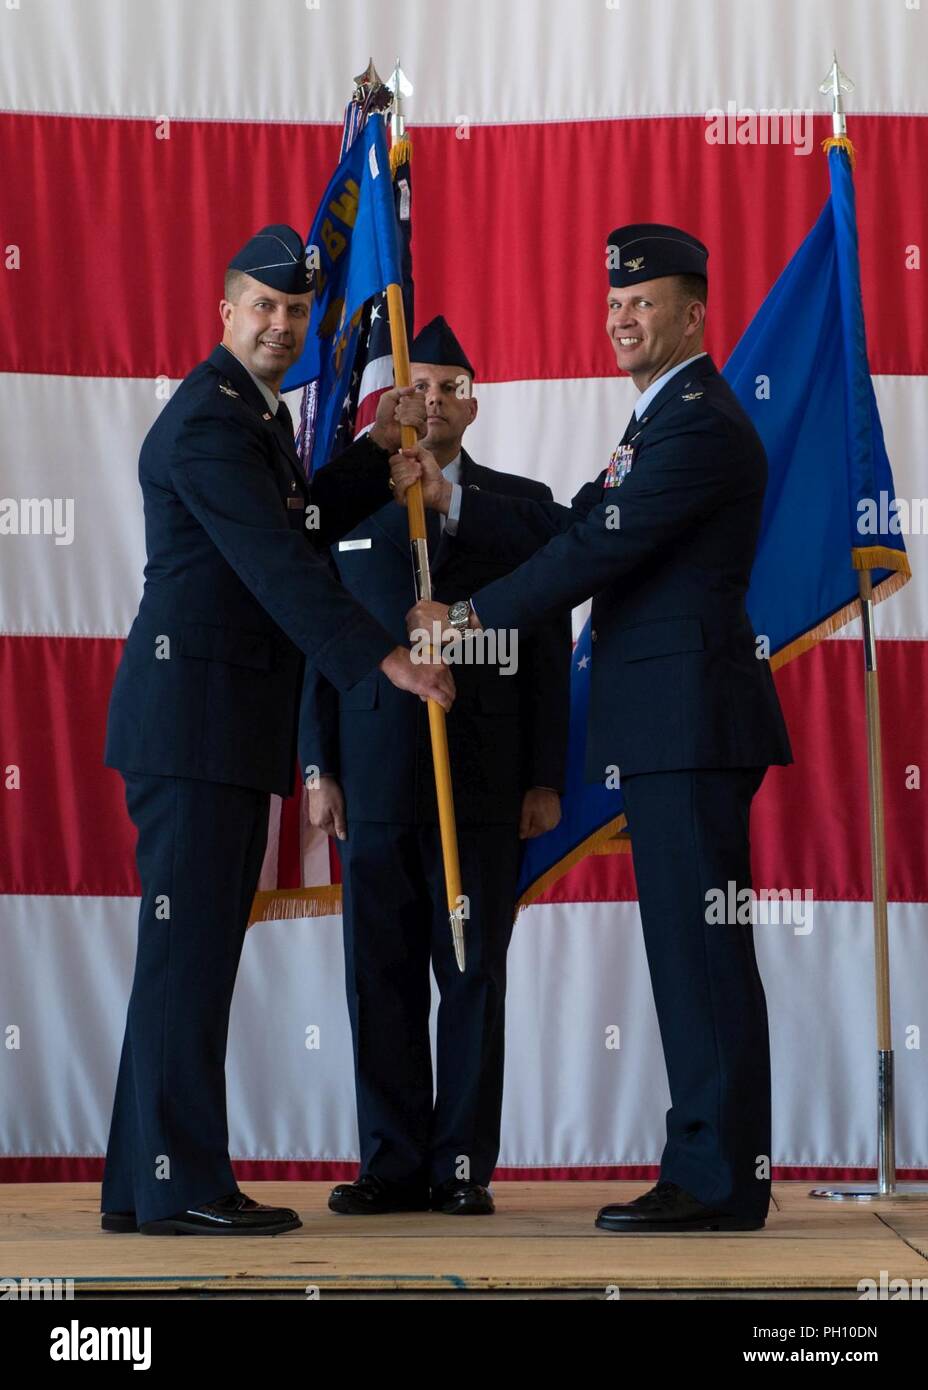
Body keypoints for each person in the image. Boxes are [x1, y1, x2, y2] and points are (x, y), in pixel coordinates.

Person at [395, 225, 793, 1233]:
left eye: (642, 300)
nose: (621, 316)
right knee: (687, 954)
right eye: (613, 302)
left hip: (691, 729)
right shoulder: (659, 421)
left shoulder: (696, 422)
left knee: (700, 957)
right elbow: (575, 520)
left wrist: (470, 618)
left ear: (695, 311)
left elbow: (591, 553)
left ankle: (715, 1179)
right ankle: (709, 1167)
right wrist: (450, 493)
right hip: (672, 730)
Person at [101, 225, 454, 1237]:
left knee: (186, 956)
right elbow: (279, 563)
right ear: (224, 313)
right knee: (191, 957)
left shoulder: (245, 418)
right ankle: (181, 1187)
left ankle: (141, 1184)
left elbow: (292, 517)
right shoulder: (212, 423)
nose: (283, 326)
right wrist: (377, 657)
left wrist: (375, 449)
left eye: (297, 312)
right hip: (194, 726)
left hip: (208, 726)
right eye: (264, 307)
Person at [301, 317, 571, 1215]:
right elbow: (318, 641)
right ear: (391, 400)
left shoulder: (521, 506)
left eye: (452, 385)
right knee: (377, 976)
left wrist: (544, 775)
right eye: (419, 387)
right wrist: (318, 766)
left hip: (486, 778)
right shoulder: (349, 504)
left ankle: (460, 1165)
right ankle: (389, 1162)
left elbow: (544, 645)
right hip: (374, 776)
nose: (435, 400)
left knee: (471, 975)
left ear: (476, 403)